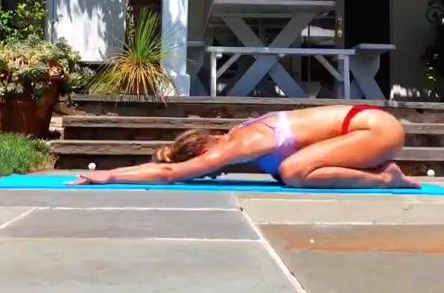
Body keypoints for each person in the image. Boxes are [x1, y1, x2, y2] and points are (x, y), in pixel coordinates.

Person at [70, 103, 420, 190]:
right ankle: (381, 172)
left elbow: (170, 173)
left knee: (293, 172)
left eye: (206, 169)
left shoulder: (240, 143)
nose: (212, 172)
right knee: (290, 171)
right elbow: (171, 165)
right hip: (364, 127)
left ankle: (386, 179)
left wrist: (111, 176)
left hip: (373, 128)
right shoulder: (239, 135)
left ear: (205, 152)